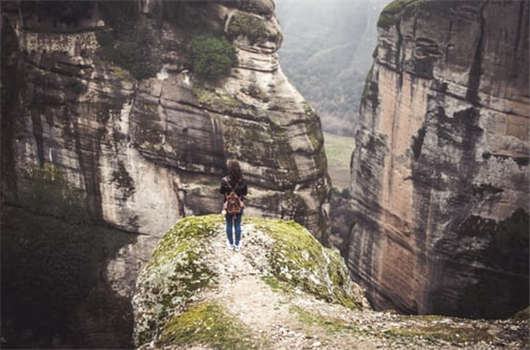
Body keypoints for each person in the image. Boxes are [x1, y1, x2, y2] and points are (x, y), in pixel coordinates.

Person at [219, 160, 247, 251]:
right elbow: (245, 193)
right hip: (239, 204)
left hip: (228, 205)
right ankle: (237, 244)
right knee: (238, 224)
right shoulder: (242, 181)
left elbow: (221, 191)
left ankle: (230, 244)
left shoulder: (224, 180)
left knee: (229, 224)